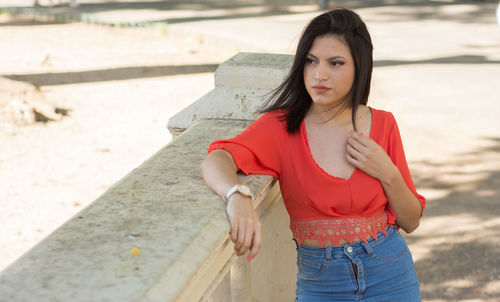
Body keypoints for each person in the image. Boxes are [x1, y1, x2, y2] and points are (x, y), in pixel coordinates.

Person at [201, 8, 425, 301]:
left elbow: (411, 220)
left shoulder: (383, 124)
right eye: (311, 61)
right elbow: (217, 158)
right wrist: (236, 196)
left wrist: (387, 172)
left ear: (360, 67)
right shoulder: (281, 128)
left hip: (390, 273)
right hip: (322, 284)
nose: (320, 75)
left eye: (335, 63)